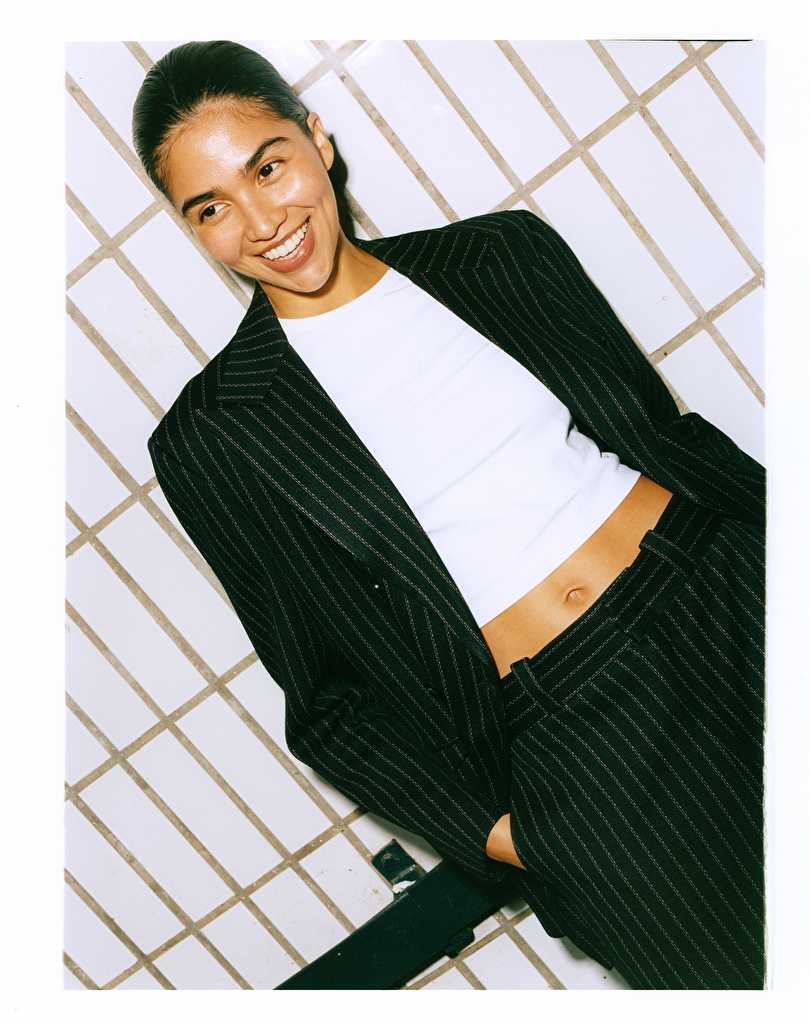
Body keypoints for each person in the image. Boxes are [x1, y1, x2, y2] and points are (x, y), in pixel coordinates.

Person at [132, 40, 766, 989]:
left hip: (734, 586)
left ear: (316, 139)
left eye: (268, 167)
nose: (262, 221)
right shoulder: (214, 437)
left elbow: (655, 430)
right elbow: (326, 701)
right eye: (211, 207)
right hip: (576, 729)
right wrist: (503, 832)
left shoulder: (501, 252)